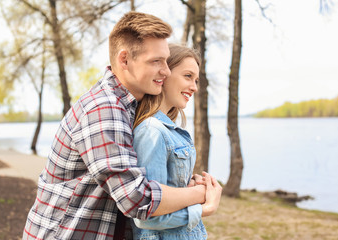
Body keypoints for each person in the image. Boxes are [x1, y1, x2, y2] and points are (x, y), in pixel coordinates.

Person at [22, 12, 207, 240]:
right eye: (156, 61)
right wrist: (200, 196)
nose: (166, 71)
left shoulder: (130, 106)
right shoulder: (103, 110)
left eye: (166, 60)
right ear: (124, 60)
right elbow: (136, 199)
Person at [130, 44, 222, 240]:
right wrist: (205, 208)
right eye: (188, 76)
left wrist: (188, 186)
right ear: (164, 74)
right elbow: (147, 217)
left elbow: (167, 194)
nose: (194, 87)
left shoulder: (166, 129)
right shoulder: (152, 131)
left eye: (196, 80)